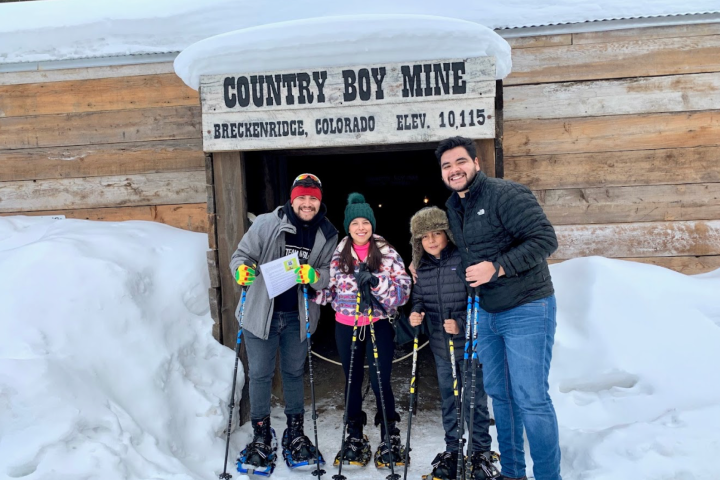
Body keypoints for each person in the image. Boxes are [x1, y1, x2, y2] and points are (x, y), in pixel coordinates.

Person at [435, 136, 561, 480]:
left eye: (460, 162)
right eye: (447, 165)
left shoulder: (505, 193)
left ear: (476, 163)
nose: (454, 170)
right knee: (501, 397)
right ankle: (513, 472)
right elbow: (470, 255)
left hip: (527, 306)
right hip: (487, 312)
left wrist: (498, 267)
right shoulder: (453, 207)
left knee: (531, 398)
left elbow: (545, 239)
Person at [230, 173, 338, 473]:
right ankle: (261, 434)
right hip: (261, 314)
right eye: (302, 197)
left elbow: (330, 271)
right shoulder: (267, 223)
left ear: (319, 200)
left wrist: (316, 277)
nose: (307, 203)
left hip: (298, 316)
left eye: (313, 198)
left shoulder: (327, 233)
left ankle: (294, 430)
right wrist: (242, 271)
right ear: (293, 199)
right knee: (261, 375)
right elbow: (241, 256)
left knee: (293, 374)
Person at [315, 192, 412, 469]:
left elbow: (403, 292)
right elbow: (329, 294)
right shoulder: (338, 254)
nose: (361, 227)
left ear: (372, 224)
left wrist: (377, 283)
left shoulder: (387, 251)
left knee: (381, 378)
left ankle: (389, 433)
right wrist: (308, 287)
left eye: (365, 222)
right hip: (347, 326)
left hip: (378, 324)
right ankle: (355, 434)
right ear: (348, 226)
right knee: (352, 380)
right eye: (355, 222)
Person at [408, 206, 498, 480]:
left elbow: (480, 300)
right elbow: (419, 298)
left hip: (469, 344)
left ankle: (481, 450)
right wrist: (416, 312)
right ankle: (453, 448)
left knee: (473, 398)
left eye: (437, 233)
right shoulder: (421, 268)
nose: (432, 240)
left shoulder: (463, 259)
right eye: (425, 237)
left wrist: (460, 322)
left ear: (447, 233)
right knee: (449, 398)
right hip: (439, 345)